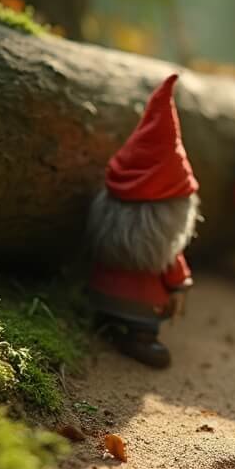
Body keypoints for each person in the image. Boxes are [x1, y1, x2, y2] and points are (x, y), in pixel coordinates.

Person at [87, 74, 200, 368]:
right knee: (146, 328)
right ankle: (140, 338)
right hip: (143, 304)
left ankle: (104, 322)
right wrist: (180, 286)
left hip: (100, 290)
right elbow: (174, 270)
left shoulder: (106, 222)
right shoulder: (161, 247)